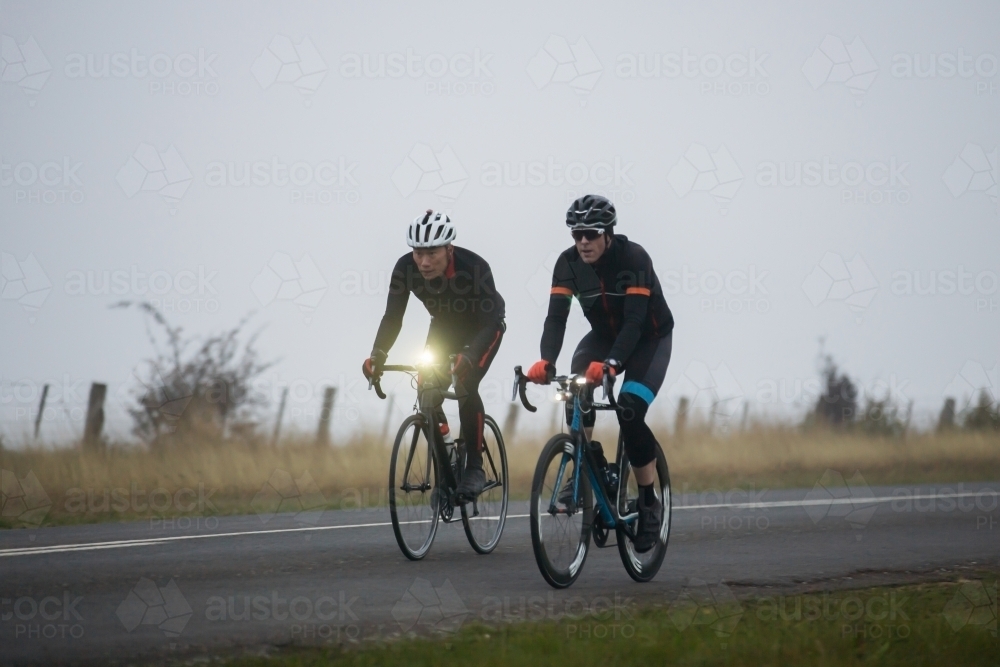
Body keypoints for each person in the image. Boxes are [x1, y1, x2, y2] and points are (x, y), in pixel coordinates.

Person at [525, 194, 674, 552]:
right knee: (575, 388)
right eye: (577, 235)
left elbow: (636, 321)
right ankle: (587, 466)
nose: (583, 242)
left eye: (590, 234)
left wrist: (612, 365)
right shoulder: (567, 264)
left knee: (629, 409)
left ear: (608, 233)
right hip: (604, 336)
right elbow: (556, 318)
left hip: (648, 339)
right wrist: (546, 361)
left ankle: (649, 500)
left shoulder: (634, 258)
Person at [363, 210, 505, 500]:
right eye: (418, 253)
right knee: (427, 389)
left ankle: (475, 466)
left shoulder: (474, 267)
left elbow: (492, 319)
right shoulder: (405, 269)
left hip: (483, 329)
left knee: (465, 382)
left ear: (449, 249)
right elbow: (393, 316)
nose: (424, 262)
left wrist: (469, 355)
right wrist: (377, 355)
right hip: (443, 329)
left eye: (431, 253)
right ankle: (447, 465)